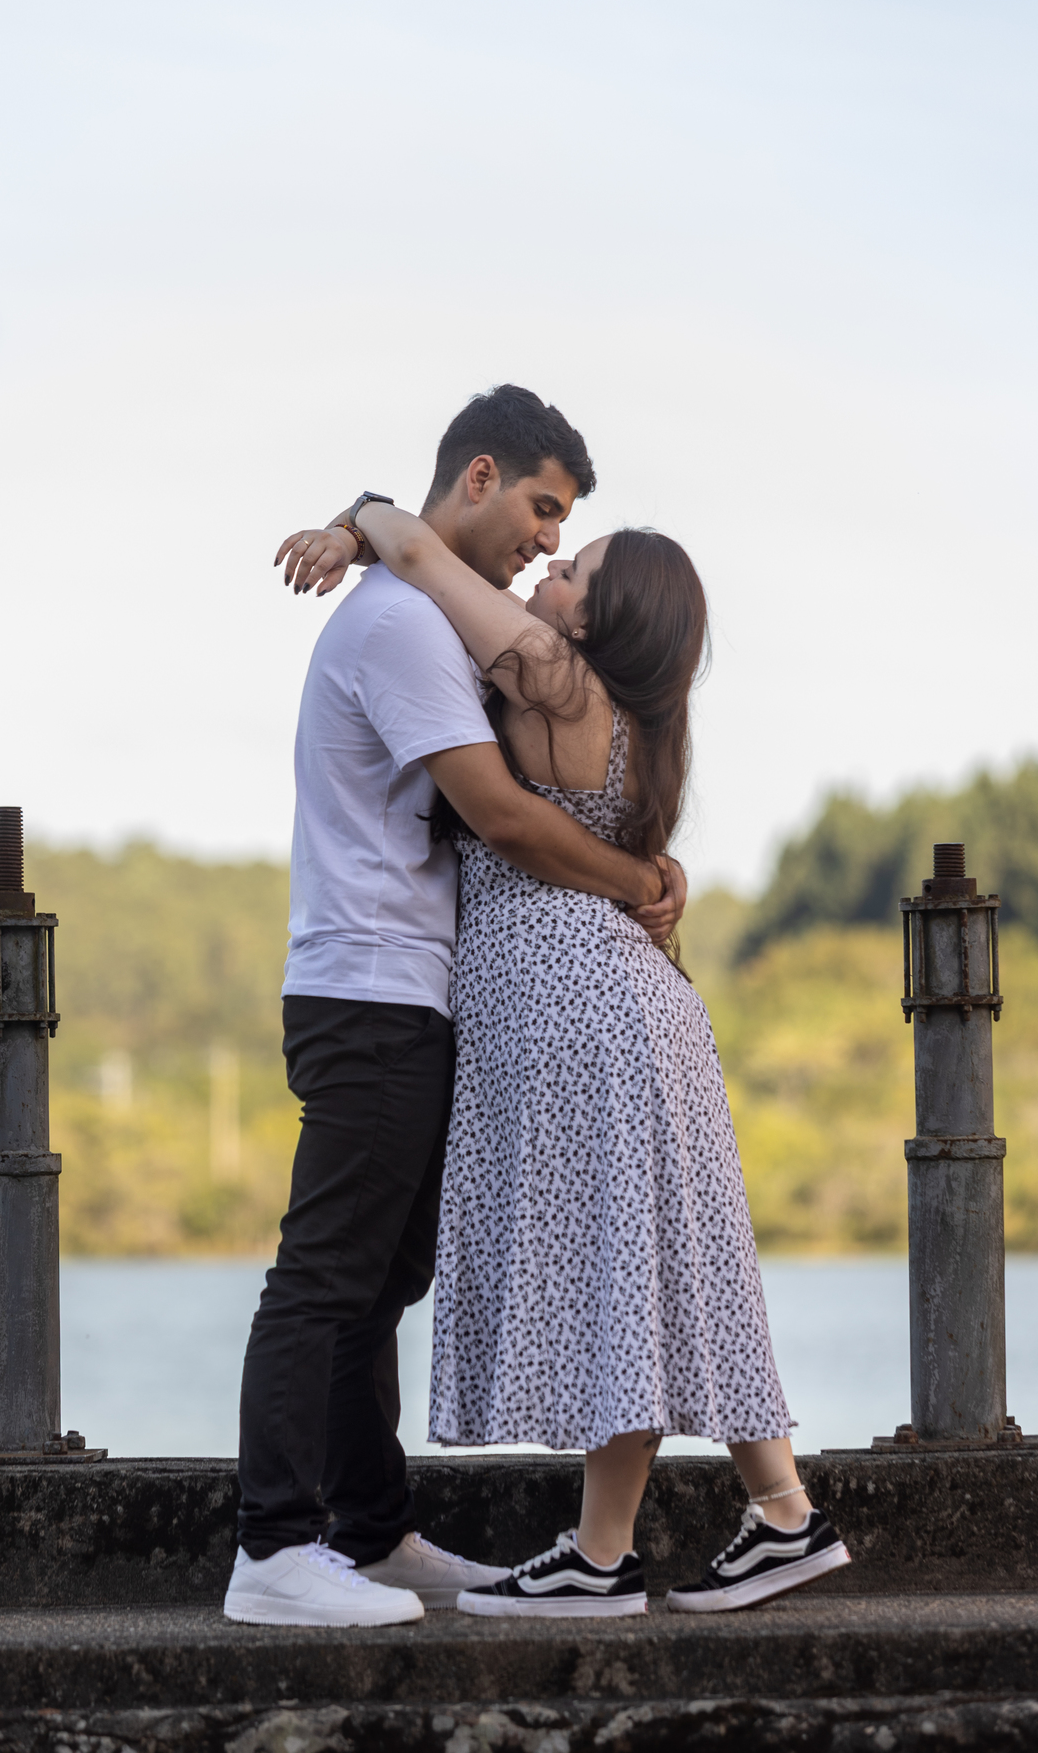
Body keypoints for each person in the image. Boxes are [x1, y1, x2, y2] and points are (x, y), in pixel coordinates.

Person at [281, 500, 851, 1618]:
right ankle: (785, 1512)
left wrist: (356, 519)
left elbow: (420, 550)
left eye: (572, 571)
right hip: (635, 1007)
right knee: (680, 1264)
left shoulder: (551, 674)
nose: (545, 574)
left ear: (597, 619)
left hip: (575, 1002)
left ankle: (601, 1556)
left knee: (617, 1269)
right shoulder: (642, 722)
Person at [224, 386, 686, 1628]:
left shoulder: (430, 611)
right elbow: (501, 816)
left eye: (564, 524)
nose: (547, 539)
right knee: (328, 1274)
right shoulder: (404, 627)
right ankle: (273, 1549)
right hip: (370, 990)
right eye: (543, 506)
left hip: (406, 993)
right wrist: (640, 879)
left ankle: (372, 1536)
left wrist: (360, 516)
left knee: (380, 1281)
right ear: (479, 477)